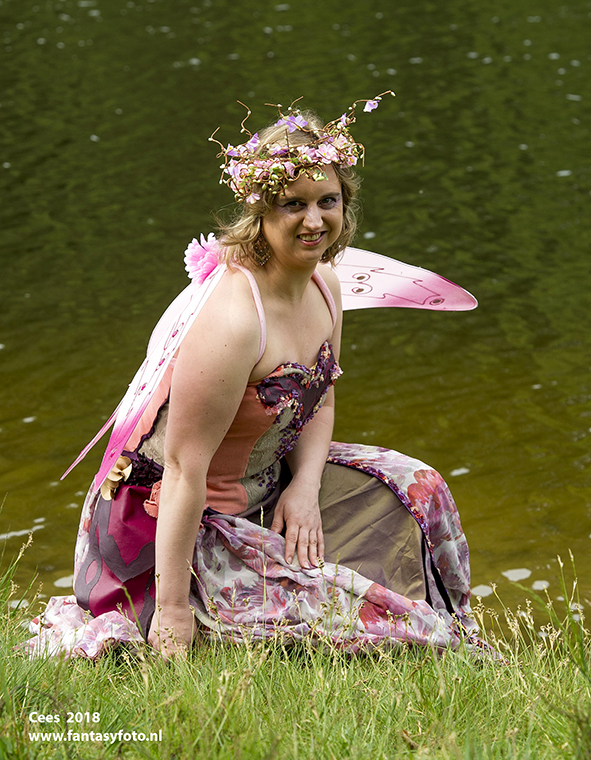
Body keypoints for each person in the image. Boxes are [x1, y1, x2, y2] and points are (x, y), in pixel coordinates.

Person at [24, 94, 478, 659]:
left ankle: (452, 619)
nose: (314, 221)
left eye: (328, 201)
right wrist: (172, 611)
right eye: (293, 205)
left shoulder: (326, 285)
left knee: (418, 486)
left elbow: (320, 399)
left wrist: (306, 489)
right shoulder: (234, 320)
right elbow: (184, 470)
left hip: (271, 485)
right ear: (260, 212)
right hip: (177, 521)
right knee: (374, 629)